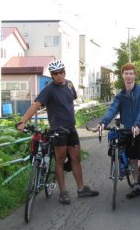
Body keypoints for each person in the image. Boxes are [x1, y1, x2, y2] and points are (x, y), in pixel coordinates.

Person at [16, 60, 99, 205]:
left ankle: (81, 189)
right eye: (55, 73)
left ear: (64, 72)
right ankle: (63, 193)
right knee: (60, 161)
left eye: (61, 72)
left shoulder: (69, 84)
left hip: (71, 128)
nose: (59, 75)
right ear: (52, 75)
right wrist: (23, 121)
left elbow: (69, 101)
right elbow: (35, 106)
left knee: (76, 159)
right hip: (58, 131)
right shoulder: (49, 89)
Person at [98, 63, 140, 201]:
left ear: (135, 75)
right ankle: (136, 184)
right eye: (126, 73)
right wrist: (103, 122)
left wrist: (137, 124)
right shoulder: (121, 95)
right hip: (129, 129)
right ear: (122, 75)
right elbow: (112, 109)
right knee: (133, 158)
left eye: (131, 73)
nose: (128, 76)